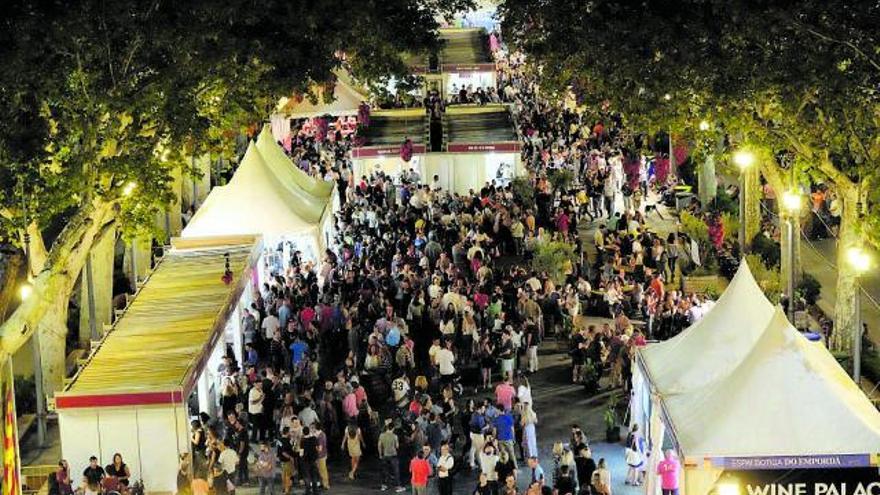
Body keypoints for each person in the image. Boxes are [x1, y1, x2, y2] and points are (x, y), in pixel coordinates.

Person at [379, 422, 405, 492]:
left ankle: (384, 486)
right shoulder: (395, 436)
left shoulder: (381, 435)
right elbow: (397, 446)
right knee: (396, 471)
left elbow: (379, 446)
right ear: (393, 428)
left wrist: (380, 454)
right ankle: (398, 487)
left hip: (385, 455)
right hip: (393, 455)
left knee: (384, 471)